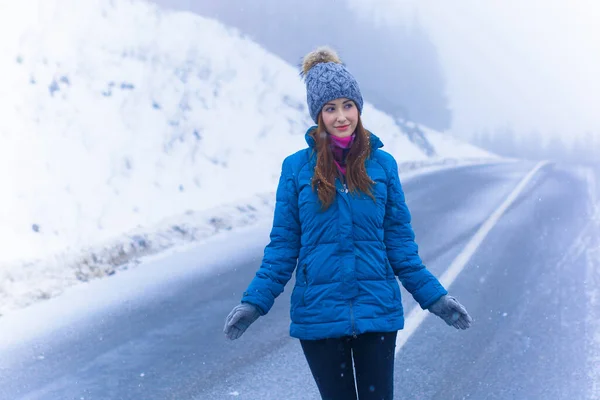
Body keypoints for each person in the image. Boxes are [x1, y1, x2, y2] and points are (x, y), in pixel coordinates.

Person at [223, 46, 472, 400]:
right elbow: (282, 247)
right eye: (330, 108)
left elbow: (400, 247)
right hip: (319, 314)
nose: (341, 117)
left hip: (376, 311)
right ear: (318, 115)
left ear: (358, 108)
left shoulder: (383, 166)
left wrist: (436, 298)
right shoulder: (296, 169)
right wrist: (255, 303)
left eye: (347, 105)